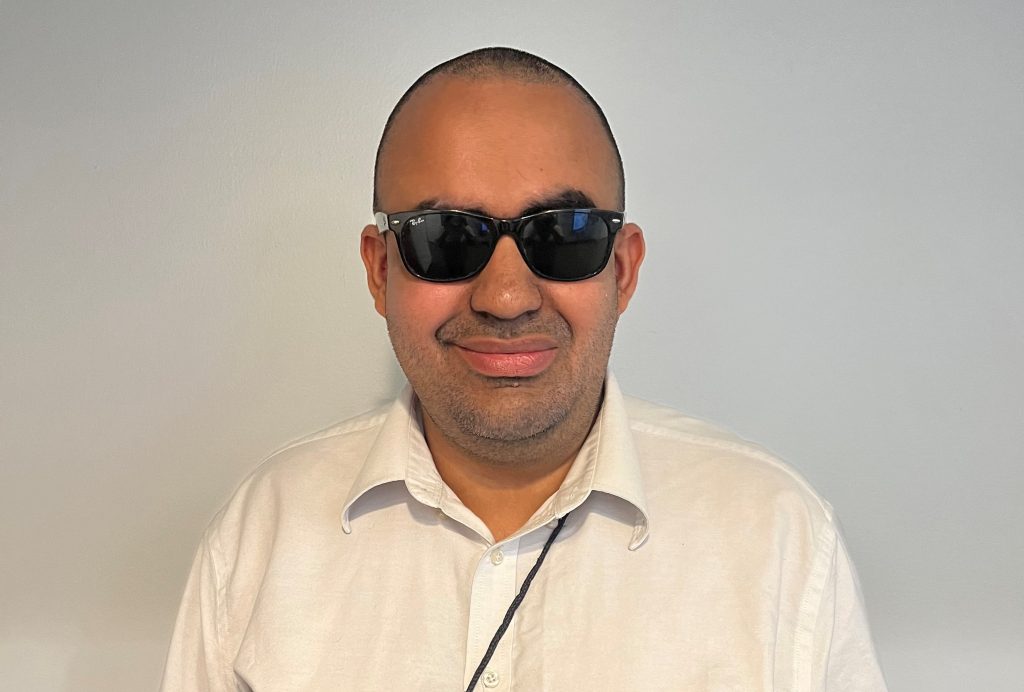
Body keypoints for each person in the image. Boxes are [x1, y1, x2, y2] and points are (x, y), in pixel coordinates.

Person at [161, 47, 887, 691]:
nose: (506, 298)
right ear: (380, 271)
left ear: (623, 271)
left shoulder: (777, 539)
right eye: (447, 237)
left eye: (562, 235)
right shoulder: (263, 536)